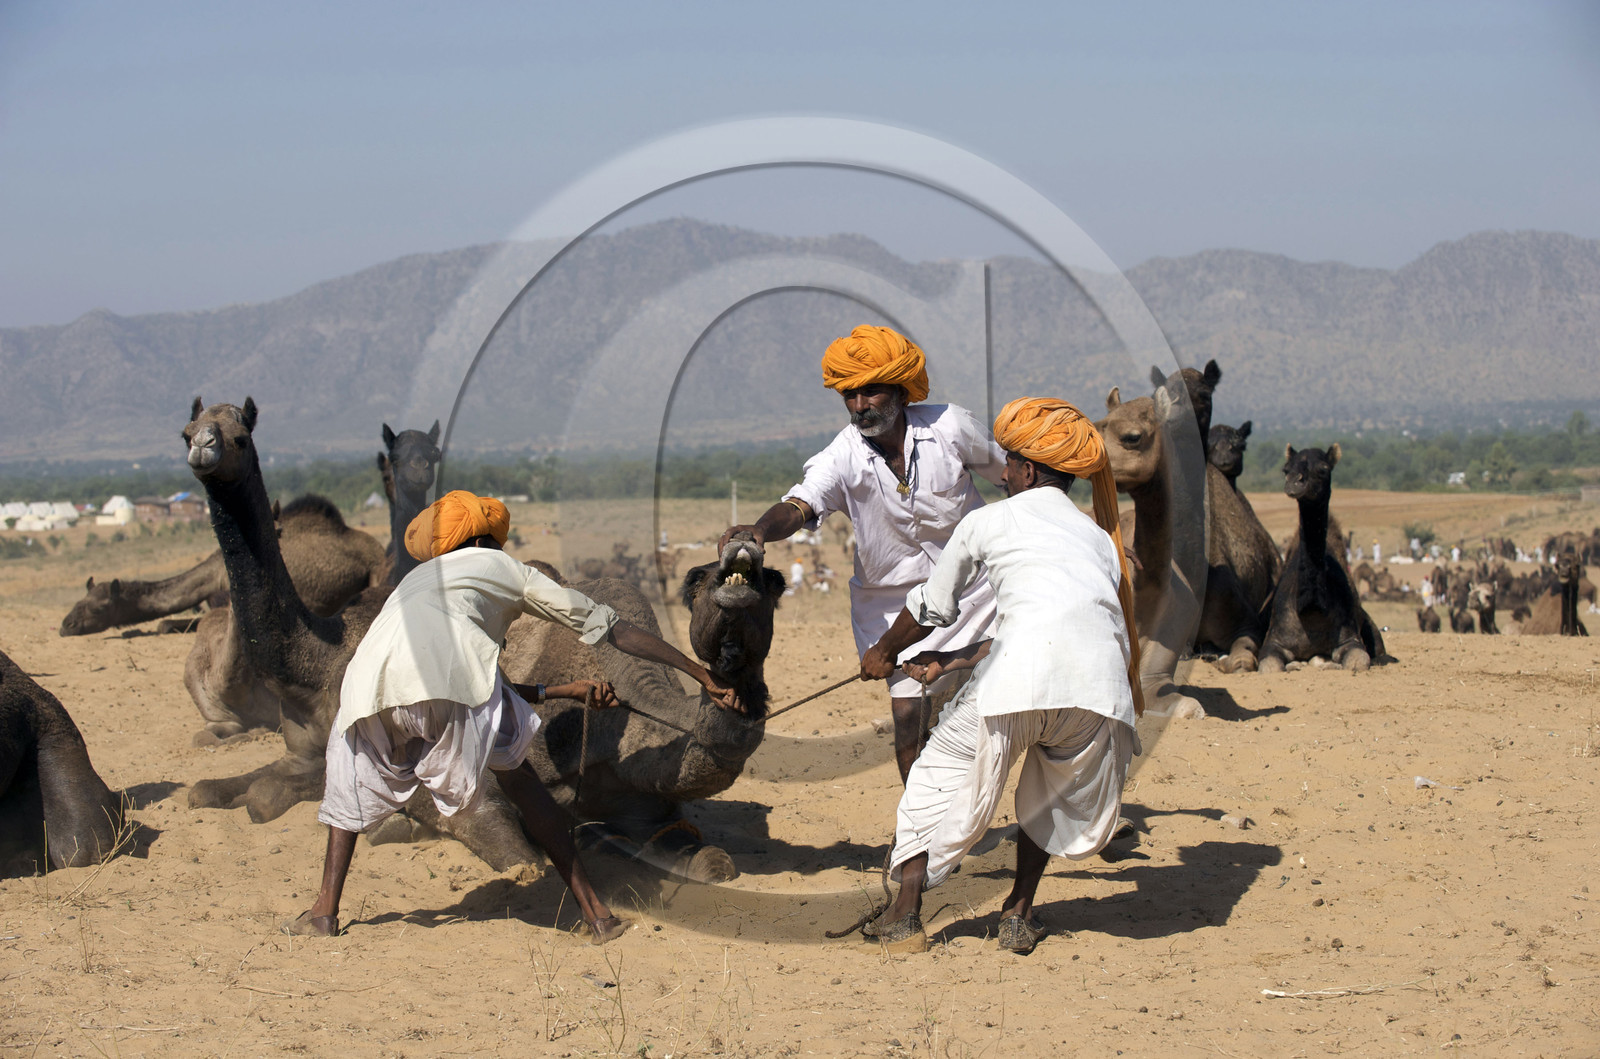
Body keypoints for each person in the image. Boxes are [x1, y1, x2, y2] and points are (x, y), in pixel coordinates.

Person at [287, 491, 740, 943]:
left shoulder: (417, 580)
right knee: (523, 784)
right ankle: (597, 915)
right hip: (450, 686)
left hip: (366, 692)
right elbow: (608, 628)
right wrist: (699, 673)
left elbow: (451, 679)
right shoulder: (502, 568)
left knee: (346, 799)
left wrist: (562, 691)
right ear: (486, 542)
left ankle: (324, 912)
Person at [858, 397, 1143, 955]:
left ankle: (904, 914)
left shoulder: (988, 521)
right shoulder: (1097, 540)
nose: (1004, 473)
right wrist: (957, 659)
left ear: (1029, 471)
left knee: (934, 778)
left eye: (1009, 464)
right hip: (1097, 696)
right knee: (1046, 797)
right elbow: (1057, 627)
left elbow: (932, 607)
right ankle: (1018, 914)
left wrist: (883, 652)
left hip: (1018, 686)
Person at [720, 325, 1004, 782]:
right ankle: (920, 825)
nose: (859, 406)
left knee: (1023, 696)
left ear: (900, 390)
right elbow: (801, 503)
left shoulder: (950, 426)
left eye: (870, 392)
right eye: (849, 396)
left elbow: (1012, 478)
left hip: (979, 592)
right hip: (893, 608)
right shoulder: (841, 455)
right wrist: (759, 530)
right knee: (909, 718)